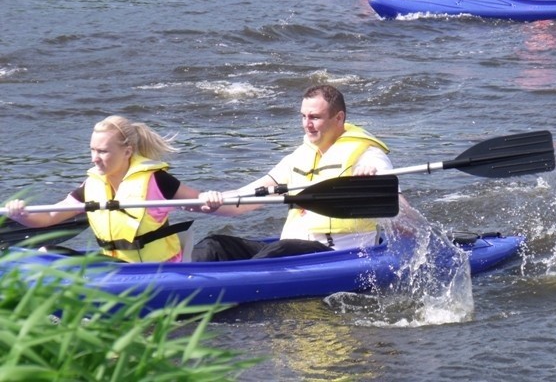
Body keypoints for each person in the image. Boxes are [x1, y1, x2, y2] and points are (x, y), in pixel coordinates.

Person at [193, 85, 404, 261]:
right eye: (303, 116)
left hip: (335, 255)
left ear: (338, 118)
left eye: (314, 117)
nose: (306, 125)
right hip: (291, 250)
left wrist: (374, 188)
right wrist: (209, 202)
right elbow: (246, 198)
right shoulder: (299, 156)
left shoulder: (368, 157)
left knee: (279, 251)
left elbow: (404, 216)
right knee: (213, 246)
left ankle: (233, 288)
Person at [2, 116, 213, 263]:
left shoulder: (156, 181)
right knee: (45, 253)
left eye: (103, 151)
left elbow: (203, 204)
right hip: (118, 269)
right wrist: (21, 215)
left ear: (127, 151)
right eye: (92, 150)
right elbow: (48, 217)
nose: (95, 158)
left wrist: (212, 200)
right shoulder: (91, 186)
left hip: (159, 271)